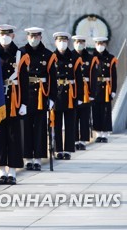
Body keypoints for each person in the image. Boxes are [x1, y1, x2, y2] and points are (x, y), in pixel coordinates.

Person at [0, 24, 27, 185]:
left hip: (15, 100)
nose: (4, 37)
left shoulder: (21, 54)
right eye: (1, 34)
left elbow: (25, 81)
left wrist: (25, 103)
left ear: (13, 36)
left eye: (7, 34)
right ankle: (1, 171)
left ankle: (12, 171)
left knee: (14, 136)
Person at [19, 27, 57, 171]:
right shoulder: (21, 52)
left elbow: (52, 78)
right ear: (27, 37)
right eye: (31, 36)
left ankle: (38, 158)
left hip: (42, 95)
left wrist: (52, 97)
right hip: (25, 95)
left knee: (40, 128)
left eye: (36, 36)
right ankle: (28, 158)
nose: (33, 38)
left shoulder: (48, 54)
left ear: (41, 37)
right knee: (26, 127)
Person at [52, 32, 83, 160]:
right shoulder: (52, 57)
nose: (62, 43)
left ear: (68, 42)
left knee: (70, 123)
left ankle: (68, 149)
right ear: (55, 42)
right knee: (57, 123)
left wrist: (80, 97)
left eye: (64, 40)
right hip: (57, 93)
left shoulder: (74, 57)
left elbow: (79, 79)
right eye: (60, 40)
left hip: (71, 94)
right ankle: (59, 149)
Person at [91, 37, 117, 143]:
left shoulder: (110, 58)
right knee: (96, 110)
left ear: (105, 44)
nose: (100, 45)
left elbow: (114, 75)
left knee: (106, 111)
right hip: (95, 87)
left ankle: (105, 133)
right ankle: (98, 133)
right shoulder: (92, 57)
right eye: (98, 43)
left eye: (102, 43)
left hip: (106, 88)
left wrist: (113, 89)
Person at [72, 35, 96, 150]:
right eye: (77, 42)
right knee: (74, 117)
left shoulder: (90, 58)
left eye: (81, 42)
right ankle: (75, 139)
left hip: (86, 91)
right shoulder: (70, 56)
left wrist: (92, 94)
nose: (79, 44)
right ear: (73, 43)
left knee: (85, 117)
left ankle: (83, 140)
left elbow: (94, 77)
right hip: (74, 91)